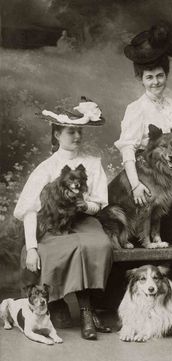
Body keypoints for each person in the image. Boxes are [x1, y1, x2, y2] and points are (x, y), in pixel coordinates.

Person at [14, 99, 113, 340]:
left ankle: (88, 310)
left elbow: (98, 203)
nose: (77, 136)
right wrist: (32, 248)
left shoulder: (91, 163)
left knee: (99, 245)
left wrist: (85, 204)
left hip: (84, 222)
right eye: (71, 131)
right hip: (53, 226)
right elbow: (29, 210)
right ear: (57, 134)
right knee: (67, 248)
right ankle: (63, 305)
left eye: (80, 131)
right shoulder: (46, 167)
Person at [115, 23, 172, 287]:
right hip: (144, 179)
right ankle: (131, 291)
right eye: (149, 77)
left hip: (167, 177)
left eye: (159, 76)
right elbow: (127, 148)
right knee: (141, 226)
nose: (155, 82)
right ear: (141, 79)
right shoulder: (136, 109)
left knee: (170, 231)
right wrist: (136, 184)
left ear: (166, 75)